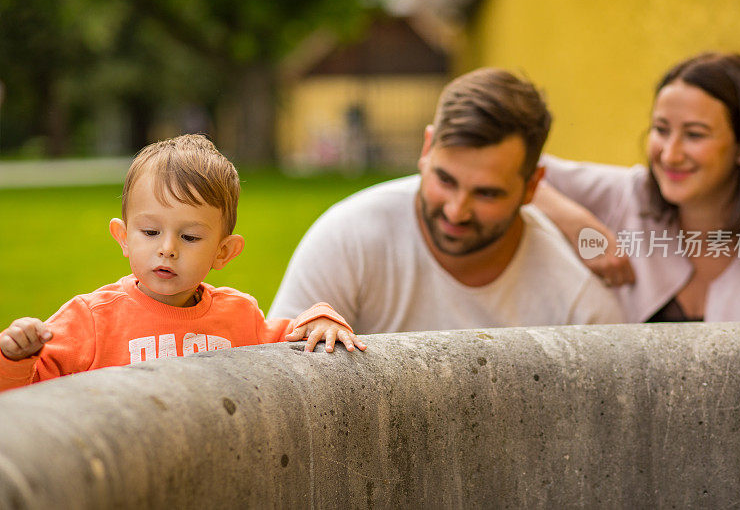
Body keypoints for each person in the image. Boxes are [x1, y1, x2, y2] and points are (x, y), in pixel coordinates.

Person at [268, 68, 624, 333]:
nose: (456, 211)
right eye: (445, 179)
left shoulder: (580, 304)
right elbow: (282, 371)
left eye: (487, 193)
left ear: (532, 188)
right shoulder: (348, 237)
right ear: (426, 149)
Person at [0, 134, 365, 391]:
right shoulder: (91, 320)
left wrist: (321, 317)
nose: (168, 249)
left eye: (189, 237)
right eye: (150, 232)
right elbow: (26, 402)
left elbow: (292, 337)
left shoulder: (239, 317)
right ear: (124, 237)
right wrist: (15, 357)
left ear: (223, 252)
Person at [535, 52, 740, 322]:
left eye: (695, 134)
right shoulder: (629, 196)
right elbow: (517, 169)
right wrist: (578, 224)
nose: (670, 155)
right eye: (661, 130)